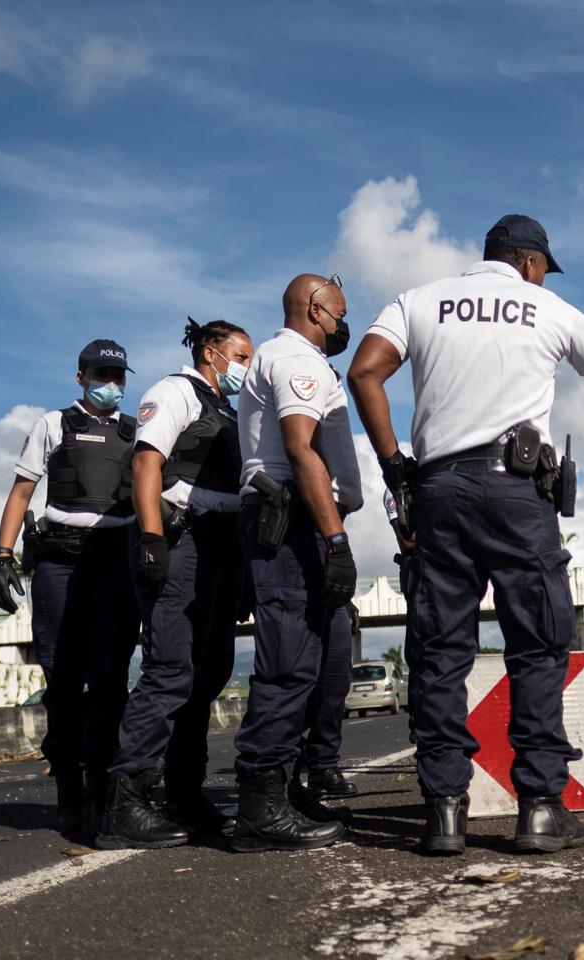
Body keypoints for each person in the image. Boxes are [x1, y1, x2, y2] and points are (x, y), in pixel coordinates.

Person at [348, 213, 584, 856]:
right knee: (536, 647)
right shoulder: (548, 307)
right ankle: (538, 809)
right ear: (530, 261)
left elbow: (365, 372)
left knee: (439, 654)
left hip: (440, 491)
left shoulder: (418, 301)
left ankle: (444, 816)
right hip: (517, 493)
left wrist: (395, 461)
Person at [98, 319, 253, 849]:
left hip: (222, 549)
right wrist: (150, 536)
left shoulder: (228, 409)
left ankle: (185, 792)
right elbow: (147, 462)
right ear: (212, 352)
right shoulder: (174, 391)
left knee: (208, 675)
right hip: (181, 543)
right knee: (170, 669)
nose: (247, 367)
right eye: (242, 355)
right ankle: (126, 800)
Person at [229, 273, 363, 852]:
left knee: (315, 661)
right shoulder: (294, 359)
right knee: (287, 662)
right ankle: (259, 808)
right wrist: (334, 542)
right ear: (315, 308)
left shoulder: (301, 360)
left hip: (301, 521)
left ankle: (281, 790)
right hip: (290, 525)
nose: (344, 323)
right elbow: (299, 447)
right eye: (339, 313)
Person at [0, 339, 141, 835]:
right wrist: (3, 554)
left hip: (115, 558)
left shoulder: (134, 430)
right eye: (102, 374)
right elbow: (21, 491)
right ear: (81, 376)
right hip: (61, 560)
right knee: (62, 677)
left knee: (110, 679)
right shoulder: (53, 424)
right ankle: (69, 789)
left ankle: (103, 787)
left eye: (118, 376)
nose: (111, 384)